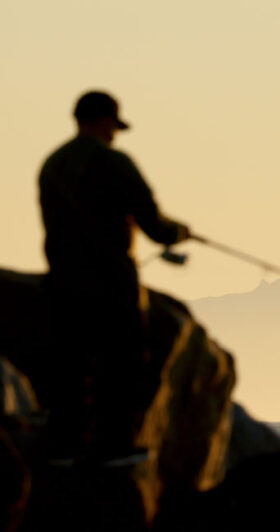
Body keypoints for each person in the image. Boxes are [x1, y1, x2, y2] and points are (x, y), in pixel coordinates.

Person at [22, 90, 190, 530]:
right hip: (111, 282)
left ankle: (64, 447)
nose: (115, 134)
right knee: (122, 362)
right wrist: (179, 232)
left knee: (71, 364)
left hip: (62, 280)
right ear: (105, 122)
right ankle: (114, 449)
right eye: (114, 126)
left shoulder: (52, 164)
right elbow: (153, 223)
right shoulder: (114, 162)